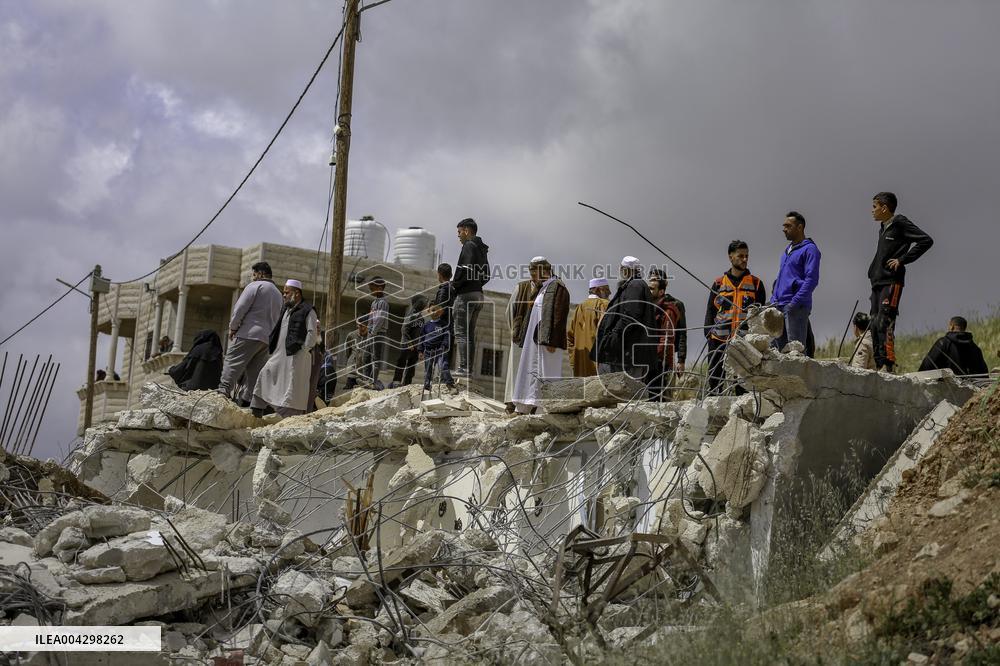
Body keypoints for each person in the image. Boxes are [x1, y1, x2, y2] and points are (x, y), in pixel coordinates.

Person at [868, 192, 934, 373]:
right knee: (873, 322)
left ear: (884, 207)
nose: (872, 211)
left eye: (874, 206)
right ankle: (879, 363)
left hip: (892, 281)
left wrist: (902, 259)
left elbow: (926, 240)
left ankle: (888, 365)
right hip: (877, 282)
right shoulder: (883, 227)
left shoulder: (900, 222)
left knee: (884, 321)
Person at [704, 241, 766, 394]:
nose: (744, 259)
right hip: (718, 340)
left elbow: (759, 316)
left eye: (746, 256)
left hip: (743, 341)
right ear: (731, 257)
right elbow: (711, 311)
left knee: (742, 384)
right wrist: (709, 335)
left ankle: (741, 416)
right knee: (715, 381)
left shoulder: (756, 284)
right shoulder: (719, 283)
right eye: (740, 256)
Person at [217, 261, 283, 405]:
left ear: (260, 274)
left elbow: (240, 308)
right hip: (266, 340)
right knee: (255, 372)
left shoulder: (255, 286)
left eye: (254, 274)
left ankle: (223, 391)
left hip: (249, 333)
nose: (252, 278)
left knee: (232, 361)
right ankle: (248, 401)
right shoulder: (278, 294)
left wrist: (233, 327)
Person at [251, 279, 318, 418]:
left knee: (291, 387)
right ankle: (257, 410)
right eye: (284, 292)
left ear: (297, 293)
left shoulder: (308, 310)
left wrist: (304, 349)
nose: (284, 295)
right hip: (279, 354)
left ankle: (286, 418)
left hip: (296, 356)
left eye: (287, 293)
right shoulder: (286, 310)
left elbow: (312, 333)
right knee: (266, 374)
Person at [511, 259, 570, 414]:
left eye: (534, 274)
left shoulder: (558, 288)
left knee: (547, 374)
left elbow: (559, 316)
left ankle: (544, 411)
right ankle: (523, 407)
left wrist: (552, 341)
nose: (532, 279)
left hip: (549, 342)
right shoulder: (541, 289)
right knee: (529, 371)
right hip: (534, 341)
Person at [594, 257, 656, 384]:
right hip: (625, 353)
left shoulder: (635, 285)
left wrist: (613, 337)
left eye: (621, 268)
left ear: (625, 270)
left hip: (626, 354)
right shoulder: (632, 285)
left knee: (625, 394)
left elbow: (630, 317)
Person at [770, 211, 820, 357]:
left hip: (795, 308)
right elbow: (781, 278)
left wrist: (795, 302)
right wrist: (774, 300)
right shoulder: (786, 251)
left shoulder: (810, 249)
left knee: (795, 353)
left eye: (788, 226)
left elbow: (812, 279)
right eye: (783, 226)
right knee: (779, 354)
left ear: (800, 227)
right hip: (779, 306)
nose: (784, 229)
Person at [451, 218, 490, 377]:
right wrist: (476, 284)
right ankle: (468, 369)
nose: (458, 236)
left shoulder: (469, 245)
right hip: (478, 295)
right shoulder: (481, 249)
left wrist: (455, 285)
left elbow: (464, 269)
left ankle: (463, 368)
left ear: (466, 231)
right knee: (469, 334)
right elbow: (487, 275)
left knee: (461, 333)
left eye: (459, 232)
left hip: (466, 295)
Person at [504, 259, 543, 409]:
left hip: (534, 338)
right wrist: (513, 330)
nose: (535, 275)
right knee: (515, 369)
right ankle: (511, 403)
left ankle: (527, 405)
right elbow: (509, 311)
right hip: (520, 335)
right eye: (533, 271)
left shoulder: (545, 289)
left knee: (531, 370)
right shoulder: (521, 287)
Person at [648, 272, 685, 400]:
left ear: (662, 290)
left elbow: (675, 335)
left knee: (661, 399)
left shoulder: (672, 307)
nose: (649, 290)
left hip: (661, 361)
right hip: (650, 360)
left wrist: (681, 359)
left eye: (653, 287)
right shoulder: (647, 306)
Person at [566, 277, 610, 378]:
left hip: (580, 365)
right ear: (598, 290)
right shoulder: (604, 304)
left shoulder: (580, 307)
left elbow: (570, 336)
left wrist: (574, 360)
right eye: (607, 289)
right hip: (598, 365)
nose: (610, 293)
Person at [918, 316, 989, 377]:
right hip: (971, 388)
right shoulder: (975, 348)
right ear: (964, 328)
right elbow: (983, 372)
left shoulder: (943, 343)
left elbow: (927, 365)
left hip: (947, 387)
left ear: (952, 326)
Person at [390, 294, 428, 388]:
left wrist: (420, 348)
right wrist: (409, 343)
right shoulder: (410, 315)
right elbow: (404, 329)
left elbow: (421, 334)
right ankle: (396, 381)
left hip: (415, 346)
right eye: (423, 302)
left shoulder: (421, 318)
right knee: (401, 362)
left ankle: (407, 383)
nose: (425, 305)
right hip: (407, 345)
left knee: (411, 366)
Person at [420, 305, 455, 392]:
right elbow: (421, 338)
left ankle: (450, 384)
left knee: (443, 367)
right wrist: (420, 350)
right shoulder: (426, 325)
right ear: (428, 312)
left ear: (440, 312)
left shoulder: (444, 324)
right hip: (428, 352)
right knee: (428, 369)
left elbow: (447, 336)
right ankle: (427, 386)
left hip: (440, 351)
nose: (434, 312)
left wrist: (444, 345)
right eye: (432, 310)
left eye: (436, 310)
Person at [363, 276, 389, 390]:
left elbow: (380, 319)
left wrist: (373, 332)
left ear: (380, 288)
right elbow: (371, 318)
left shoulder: (383, 303)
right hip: (371, 333)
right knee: (366, 356)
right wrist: (368, 330)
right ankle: (366, 379)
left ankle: (372, 381)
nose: (371, 291)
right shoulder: (374, 302)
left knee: (375, 358)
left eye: (372, 288)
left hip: (378, 333)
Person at [341, 320, 369, 392]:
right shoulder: (351, 335)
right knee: (348, 390)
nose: (361, 328)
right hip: (352, 370)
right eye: (359, 326)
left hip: (364, 372)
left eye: (363, 326)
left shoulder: (371, 336)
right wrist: (351, 359)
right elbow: (347, 350)